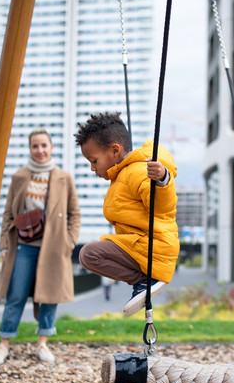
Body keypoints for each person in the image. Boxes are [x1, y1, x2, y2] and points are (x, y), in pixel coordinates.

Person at [0, 128, 81, 365]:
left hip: (53, 247)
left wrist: (70, 241)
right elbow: (8, 213)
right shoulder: (19, 177)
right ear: (30, 149)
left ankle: (42, 344)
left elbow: (75, 213)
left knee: (50, 296)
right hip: (22, 245)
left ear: (51, 147)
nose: (40, 150)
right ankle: (4, 343)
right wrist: (4, 244)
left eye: (43, 145)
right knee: (16, 294)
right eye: (35, 146)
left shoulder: (64, 177)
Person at [74, 112, 179, 316]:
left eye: (94, 161)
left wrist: (163, 179)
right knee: (89, 255)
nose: (92, 168)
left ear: (114, 150)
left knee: (89, 254)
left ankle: (144, 281)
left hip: (154, 246)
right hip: (141, 244)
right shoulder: (122, 175)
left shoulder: (138, 171)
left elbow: (162, 208)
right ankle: (144, 281)